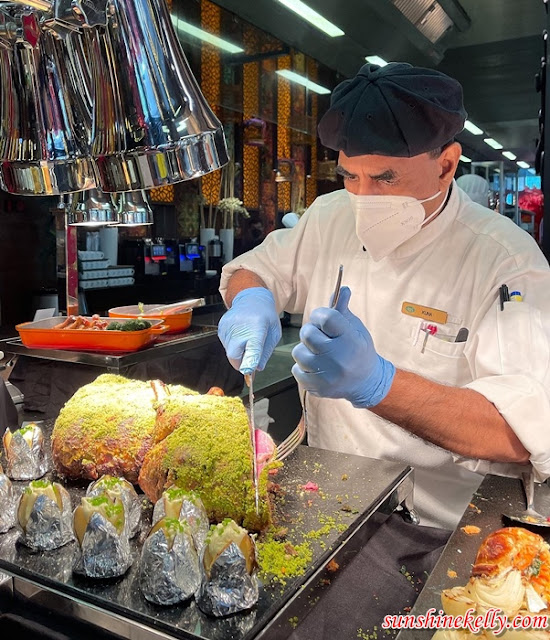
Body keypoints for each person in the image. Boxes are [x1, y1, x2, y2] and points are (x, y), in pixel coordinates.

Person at [218, 62, 550, 530]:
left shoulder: (505, 261)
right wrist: (250, 302)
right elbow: (253, 270)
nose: (363, 197)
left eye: (385, 178)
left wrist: (379, 384)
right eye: (350, 176)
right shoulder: (330, 215)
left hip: (441, 525)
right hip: (328, 500)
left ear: (446, 165)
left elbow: (518, 433)